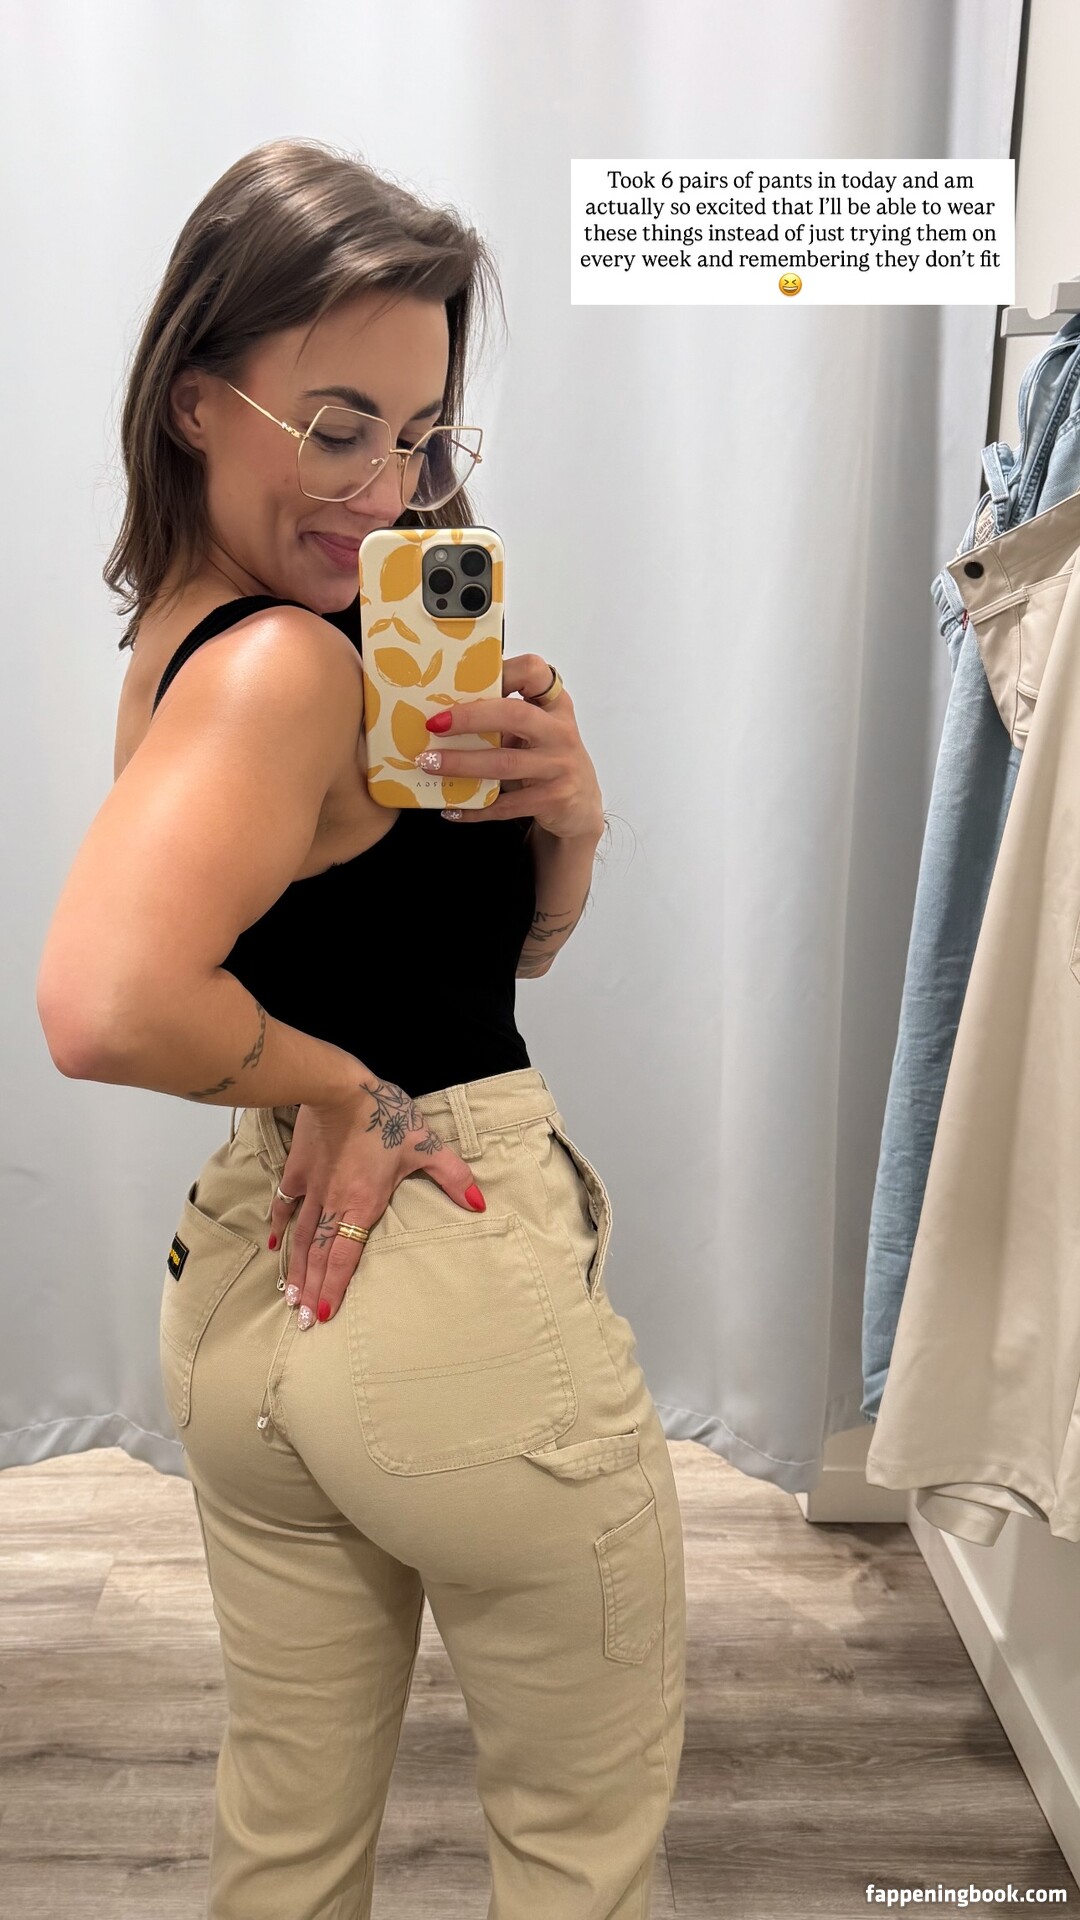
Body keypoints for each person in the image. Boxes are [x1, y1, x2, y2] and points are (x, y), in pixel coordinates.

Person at [36, 137, 686, 1920]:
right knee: (578, 1848)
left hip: (257, 1296)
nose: (384, 488)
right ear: (194, 400)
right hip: (442, 1274)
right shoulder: (292, 665)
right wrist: (351, 1089)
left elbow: (488, 964)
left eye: (418, 435)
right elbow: (103, 1003)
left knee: (288, 1833)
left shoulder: (191, 641)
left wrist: (567, 824)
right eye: (335, 428)